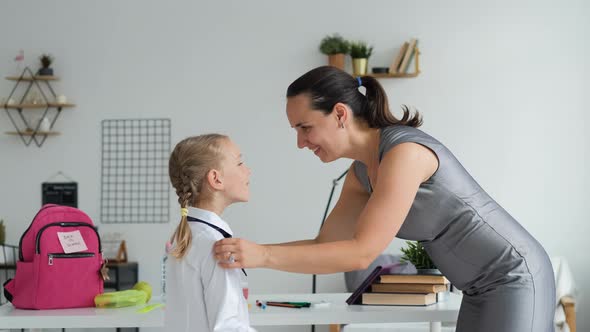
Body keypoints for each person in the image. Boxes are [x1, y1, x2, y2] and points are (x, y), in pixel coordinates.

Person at [214, 66, 556, 332]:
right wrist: (253, 254)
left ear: (340, 114)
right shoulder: (361, 173)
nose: (301, 143)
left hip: (514, 276)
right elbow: (329, 245)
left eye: (305, 127)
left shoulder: (404, 153)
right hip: (478, 288)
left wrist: (263, 256)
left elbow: (362, 252)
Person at [164, 134, 255, 332]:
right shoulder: (215, 244)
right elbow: (227, 326)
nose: (248, 171)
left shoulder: (185, 235)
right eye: (240, 163)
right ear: (216, 178)